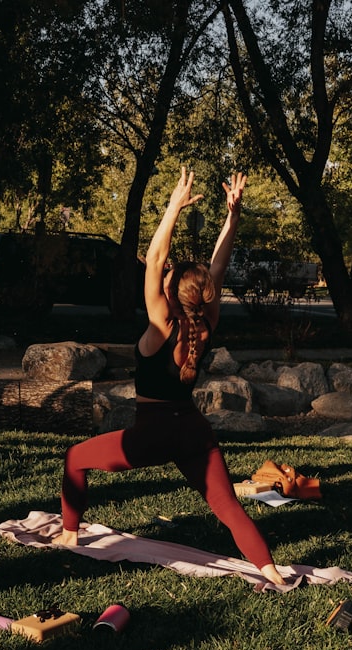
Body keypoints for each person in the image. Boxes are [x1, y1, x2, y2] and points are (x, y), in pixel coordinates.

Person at [52, 168, 287, 586]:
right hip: (194, 432)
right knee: (227, 505)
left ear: (172, 291)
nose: (160, 275)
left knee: (74, 458)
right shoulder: (205, 322)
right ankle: (271, 571)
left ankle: (69, 537)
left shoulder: (162, 324)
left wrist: (174, 207)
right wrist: (232, 219)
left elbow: (156, 258)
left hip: (152, 435)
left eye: (166, 277)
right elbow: (217, 268)